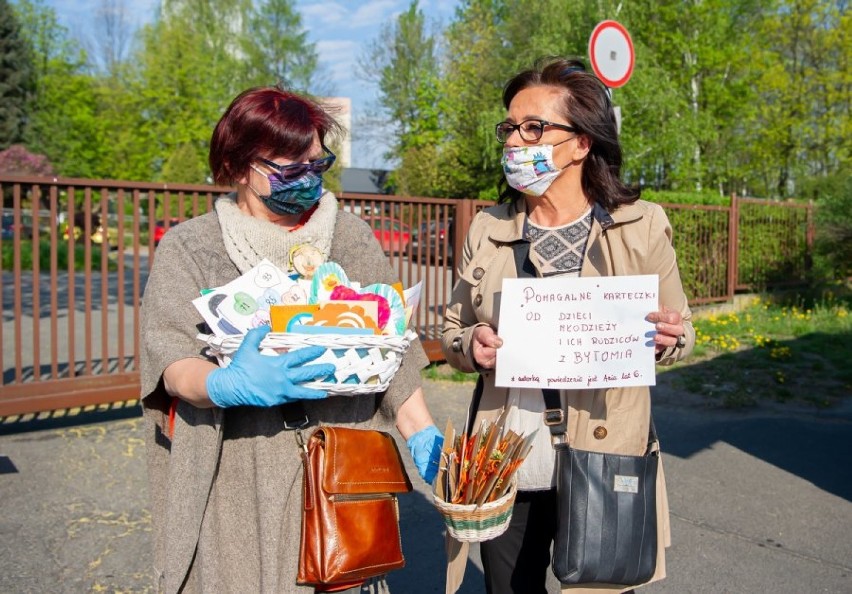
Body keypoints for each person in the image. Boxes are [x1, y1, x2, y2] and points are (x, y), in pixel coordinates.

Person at [140, 86, 443, 594]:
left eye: (316, 165)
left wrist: (422, 432)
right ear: (237, 166)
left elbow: (397, 346)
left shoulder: (349, 238)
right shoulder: (191, 248)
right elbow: (170, 360)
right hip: (236, 476)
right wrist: (224, 384)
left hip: (342, 469)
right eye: (287, 169)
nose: (305, 179)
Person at [440, 57, 695, 594]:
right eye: (509, 127)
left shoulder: (640, 223)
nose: (515, 140)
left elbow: (684, 330)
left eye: (534, 128)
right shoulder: (489, 227)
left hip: (606, 449)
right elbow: (453, 327)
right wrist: (471, 346)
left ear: (582, 143)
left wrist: (668, 338)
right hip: (508, 455)